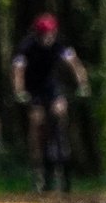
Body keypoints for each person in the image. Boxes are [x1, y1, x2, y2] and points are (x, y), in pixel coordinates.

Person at [11, 13, 89, 192]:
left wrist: (83, 83)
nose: (49, 38)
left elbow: (74, 64)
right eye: (46, 35)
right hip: (33, 89)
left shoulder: (60, 43)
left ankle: (64, 160)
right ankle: (38, 167)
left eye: (52, 34)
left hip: (51, 87)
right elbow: (17, 71)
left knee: (60, 113)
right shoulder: (27, 46)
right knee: (37, 122)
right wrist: (19, 92)